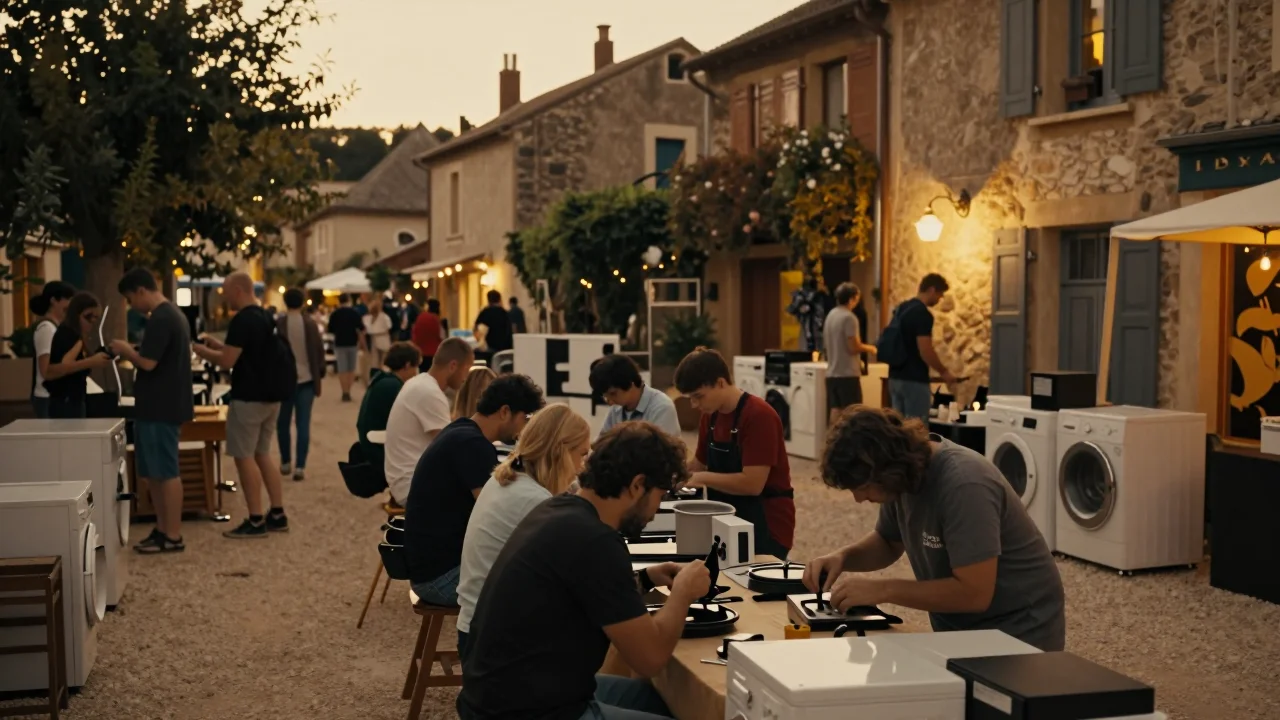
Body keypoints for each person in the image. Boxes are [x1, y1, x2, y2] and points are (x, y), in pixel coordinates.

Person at [457, 422, 710, 720]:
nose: (657, 509)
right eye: (661, 493)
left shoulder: (560, 510)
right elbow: (650, 659)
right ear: (637, 485)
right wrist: (682, 593)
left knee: (661, 700)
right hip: (525, 710)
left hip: (500, 693)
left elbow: (581, 591)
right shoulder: (595, 541)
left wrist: (645, 578)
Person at [804, 406, 1066, 651]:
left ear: (886, 468)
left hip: (1020, 633)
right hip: (962, 629)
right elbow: (887, 542)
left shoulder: (964, 484)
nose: (858, 499)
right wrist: (842, 558)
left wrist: (883, 590)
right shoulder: (904, 477)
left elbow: (974, 593)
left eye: (861, 488)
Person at [455, 404, 590, 658]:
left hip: (476, 628)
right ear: (561, 452)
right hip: (496, 642)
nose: (581, 467)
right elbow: (576, 580)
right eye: (581, 455)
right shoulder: (534, 500)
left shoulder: (510, 479)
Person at [405, 374, 545, 606]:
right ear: (505, 411)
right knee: (544, 585)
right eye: (525, 418)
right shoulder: (473, 446)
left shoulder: (460, 432)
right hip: (442, 579)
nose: (525, 428)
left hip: (429, 571)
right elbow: (496, 516)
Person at [193, 271, 291, 539]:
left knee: (244, 455)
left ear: (238, 289)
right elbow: (241, 350)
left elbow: (227, 362)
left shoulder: (242, 320)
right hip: (271, 396)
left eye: (225, 291)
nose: (223, 297)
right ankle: (277, 513)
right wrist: (218, 346)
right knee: (262, 454)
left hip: (249, 397)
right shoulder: (264, 316)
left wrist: (201, 351)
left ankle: (256, 518)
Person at [675, 347, 795, 559]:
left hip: (766, 523)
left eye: (698, 397)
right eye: (690, 399)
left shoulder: (759, 415)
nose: (694, 405)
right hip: (726, 517)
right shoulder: (710, 416)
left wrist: (701, 478)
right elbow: (698, 465)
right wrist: (673, 474)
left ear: (721, 383)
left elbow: (753, 484)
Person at [112, 267, 194, 554]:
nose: (132, 306)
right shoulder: (172, 315)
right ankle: (163, 529)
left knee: (165, 472)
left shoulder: (161, 318)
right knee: (155, 473)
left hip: (161, 406)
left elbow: (148, 363)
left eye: (131, 299)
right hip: (162, 405)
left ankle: (172, 534)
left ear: (141, 291)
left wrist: (125, 350)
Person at [383, 337, 475, 506]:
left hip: (407, 479)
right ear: (453, 366)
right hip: (412, 486)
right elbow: (452, 448)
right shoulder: (428, 392)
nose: (465, 378)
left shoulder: (420, 384)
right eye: (466, 370)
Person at [886, 273, 958, 421]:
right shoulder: (922, 314)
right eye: (940, 294)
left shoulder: (901, 309)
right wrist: (944, 372)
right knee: (917, 429)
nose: (939, 299)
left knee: (898, 428)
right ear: (931, 290)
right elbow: (925, 350)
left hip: (895, 377)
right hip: (914, 380)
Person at [276, 288, 325, 481]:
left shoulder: (280, 323)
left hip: (284, 380)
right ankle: (300, 466)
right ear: (303, 302)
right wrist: (319, 373)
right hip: (307, 379)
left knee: (283, 423)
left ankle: (286, 460)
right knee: (303, 423)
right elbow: (319, 351)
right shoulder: (310, 324)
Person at [44, 291, 114, 419]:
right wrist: (91, 362)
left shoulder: (76, 335)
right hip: (66, 401)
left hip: (72, 399)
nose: (92, 322)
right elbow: (61, 368)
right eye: (88, 317)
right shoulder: (69, 335)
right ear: (76, 314)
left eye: (96, 318)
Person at [356, 342, 420, 480]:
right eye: (415, 367)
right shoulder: (394, 387)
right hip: (379, 450)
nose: (416, 373)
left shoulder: (383, 380)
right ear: (407, 365)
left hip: (370, 445)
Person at [590, 353, 681, 439]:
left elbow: (661, 452)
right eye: (605, 396)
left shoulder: (662, 408)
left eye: (613, 394)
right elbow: (601, 444)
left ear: (630, 383)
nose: (609, 401)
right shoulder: (616, 409)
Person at [823, 282, 877, 424]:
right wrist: (870, 348)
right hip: (847, 374)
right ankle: (851, 443)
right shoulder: (849, 317)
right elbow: (853, 346)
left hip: (832, 373)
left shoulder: (831, 315)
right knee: (854, 413)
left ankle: (833, 441)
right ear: (852, 298)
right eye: (857, 298)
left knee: (835, 409)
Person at [30, 281, 76, 419]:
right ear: (53, 301)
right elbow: (46, 371)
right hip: (46, 397)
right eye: (66, 299)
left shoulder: (55, 329)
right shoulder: (47, 329)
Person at [327, 294, 363, 402]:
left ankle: (344, 392)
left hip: (339, 343)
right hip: (352, 343)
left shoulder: (335, 314)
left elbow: (330, 329)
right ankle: (349, 390)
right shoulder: (354, 313)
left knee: (342, 369)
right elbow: (360, 329)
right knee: (351, 369)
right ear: (349, 300)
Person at [412, 298, 445, 373]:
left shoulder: (420, 317)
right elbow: (441, 336)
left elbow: (415, 333)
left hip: (421, 352)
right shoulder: (436, 320)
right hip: (434, 352)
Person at [361, 299, 393, 378]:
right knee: (374, 361)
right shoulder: (367, 318)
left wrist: (375, 332)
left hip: (382, 340)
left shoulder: (384, 317)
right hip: (373, 341)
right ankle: (375, 375)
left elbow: (388, 328)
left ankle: (383, 375)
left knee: (383, 360)